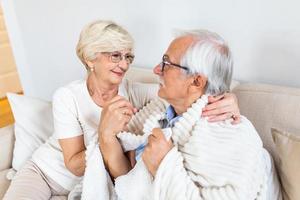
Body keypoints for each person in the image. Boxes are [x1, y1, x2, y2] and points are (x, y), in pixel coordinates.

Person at [4, 21, 240, 200]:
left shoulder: (132, 91)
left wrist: (227, 98)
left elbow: (183, 95)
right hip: (46, 174)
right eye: (115, 55)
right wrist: (105, 134)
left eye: (128, 56)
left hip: (85, 183)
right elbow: (73, 165)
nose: (125, 64)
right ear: (90, 59)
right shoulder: (67, 97)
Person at [102, 30, 282, 199]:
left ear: (196, 81)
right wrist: (106, 135)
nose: (156, 70)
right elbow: (128, 181)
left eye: (166, 63)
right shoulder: (160, 111)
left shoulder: (229, 135)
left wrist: (164, 166)